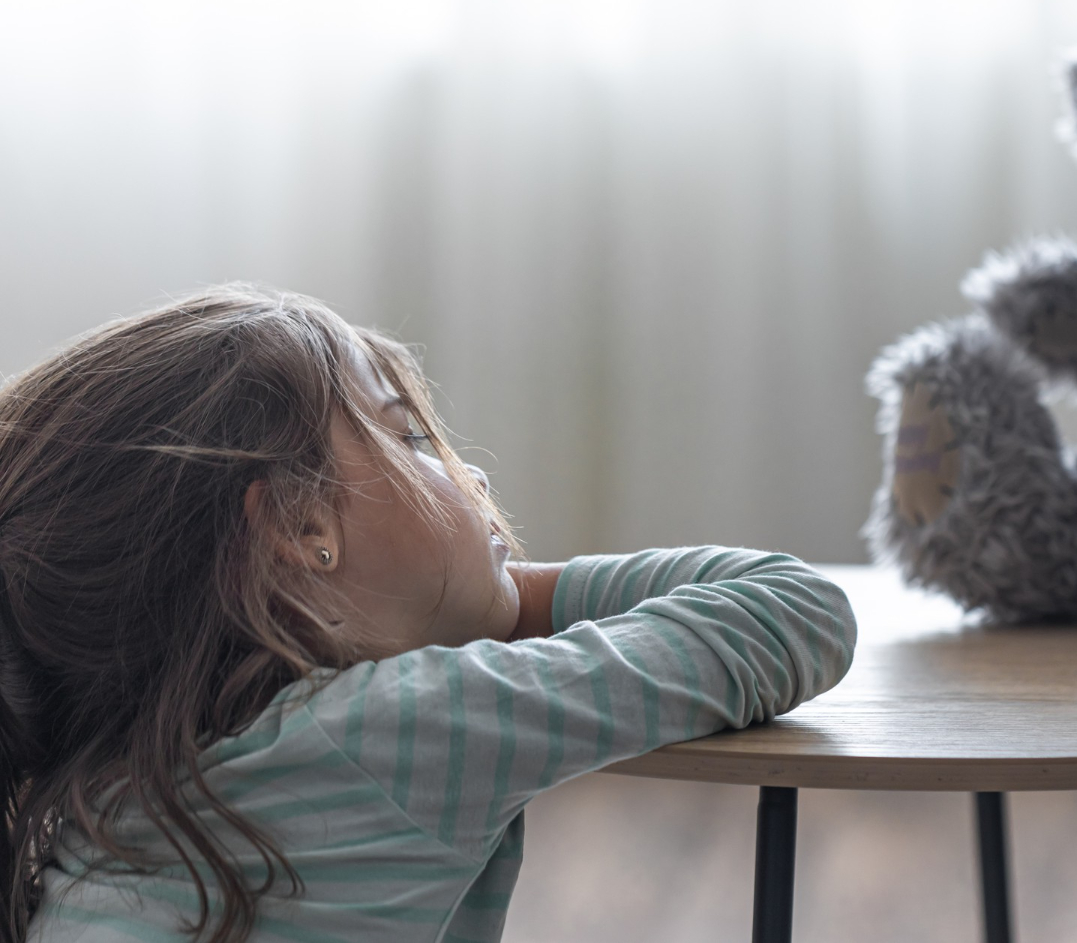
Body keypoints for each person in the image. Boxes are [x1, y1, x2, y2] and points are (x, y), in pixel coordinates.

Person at [0, 286, 856, 943]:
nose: (470, 475)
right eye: (409, 437)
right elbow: (791, 610)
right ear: (303, 529)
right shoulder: (399, 727)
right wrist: (518, 601)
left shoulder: (114, 773)